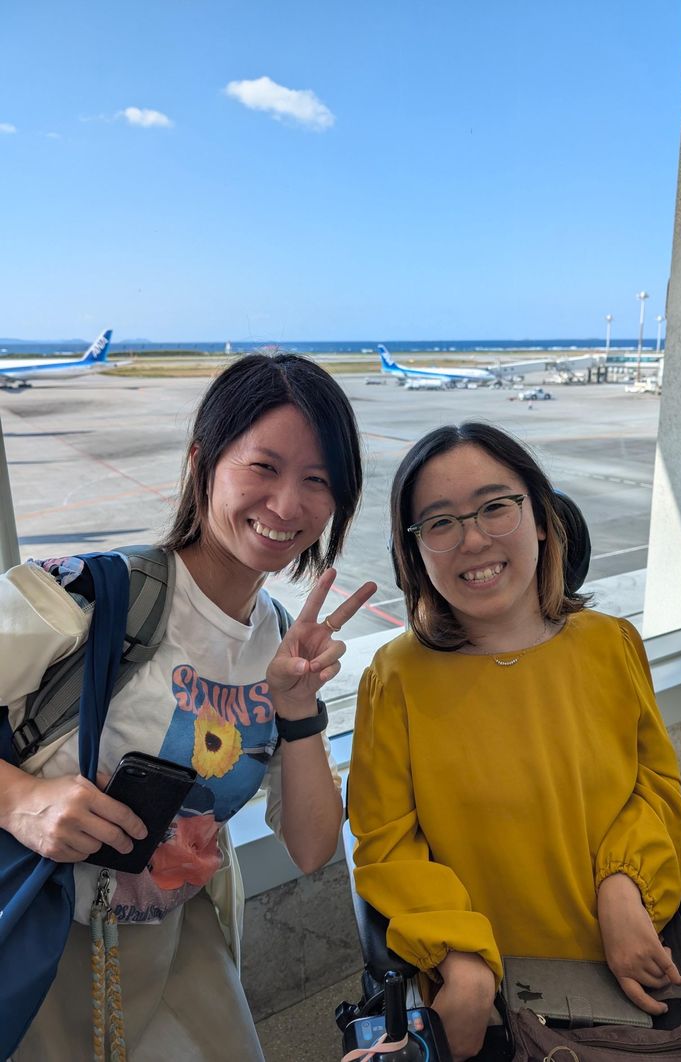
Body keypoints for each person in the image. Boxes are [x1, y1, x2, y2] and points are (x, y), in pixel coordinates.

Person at [0, 353, 376, 1060]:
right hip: (40, 949)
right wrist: (20, 799)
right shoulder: (87, 597)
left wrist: (299, 712)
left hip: (177, 954)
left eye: (318, 480)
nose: (287, 505)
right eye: (264, 467)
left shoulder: (279, 643)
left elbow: (311, 847)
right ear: (203, 462)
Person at [348, 422, 681, 1062]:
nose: (473, 539)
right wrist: (459, 956)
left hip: (620, 964)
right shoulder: (394, 678)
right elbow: (384, 842)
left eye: (495, 507)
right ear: (415, 553)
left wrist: (625, 886)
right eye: (440, 523)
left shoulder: (611, 644)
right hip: (479, 991)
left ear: (541, 520)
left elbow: (655, 787)